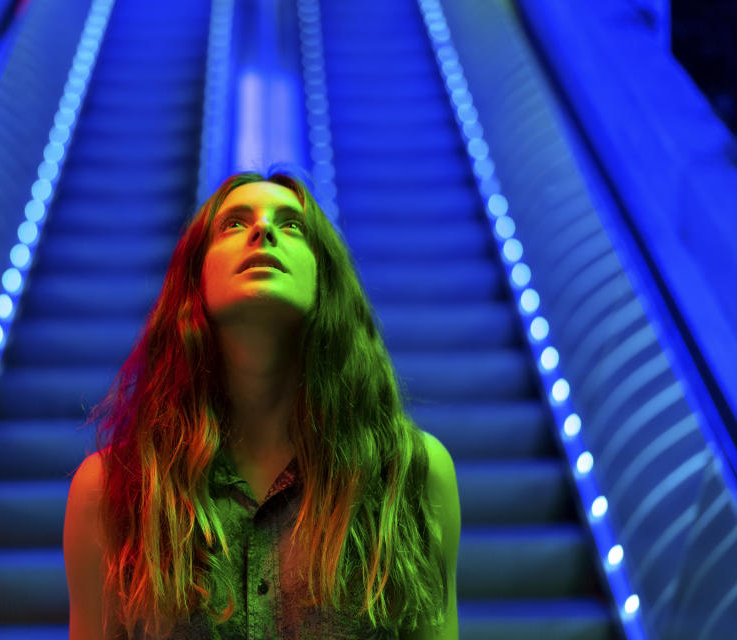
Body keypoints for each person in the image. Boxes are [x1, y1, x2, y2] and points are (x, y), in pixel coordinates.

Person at [64, 168, 460, 639]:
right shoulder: (112, 488)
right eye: (233, 223)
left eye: (292, 224)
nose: (263, 229)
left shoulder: (410, 475)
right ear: (196, 278)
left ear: (324, 278)